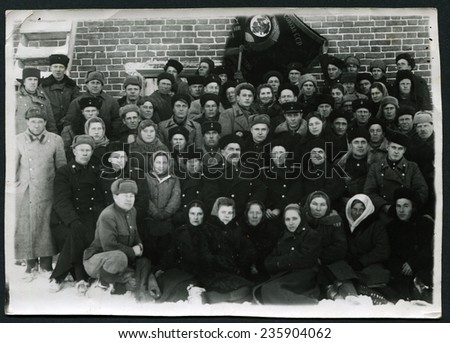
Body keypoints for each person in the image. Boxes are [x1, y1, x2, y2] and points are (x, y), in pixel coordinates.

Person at [83, 179, 159, 298]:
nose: (129, 199)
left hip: (118, 263)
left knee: (138, 277)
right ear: (115, 197)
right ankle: (102, 285)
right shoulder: (108, 215)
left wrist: (139, 245)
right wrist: (132, 251)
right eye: (125, 196)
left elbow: (135, 232)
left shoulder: (132, 211)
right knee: (120, 257)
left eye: (132, 196)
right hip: (97, 261)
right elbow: (109, 245)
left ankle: (118, 285)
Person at [15, 106, 67, 280]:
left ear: (45, 122)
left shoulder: (55, 140)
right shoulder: (18, 140)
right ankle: (30, 263)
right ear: (27, 122)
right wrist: (17, 186)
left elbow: (61, 166)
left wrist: (60, 189)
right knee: (27, 226)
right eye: (33, 121)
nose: (36, 125)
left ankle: (46, 263)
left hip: (48, 190)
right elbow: (12, 167)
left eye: (40, 121)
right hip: (27, 190)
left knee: (45, 226)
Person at [49, 135, 103, 293]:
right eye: (81, 150)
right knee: (76, 233)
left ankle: (73, 277)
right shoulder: (64, 172)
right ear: (74, 151)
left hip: (88, 216)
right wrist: (72, 221)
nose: (85, 153)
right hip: (64, 219)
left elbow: (98, 199)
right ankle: (66, 277)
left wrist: (97, 218)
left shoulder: (95, 171)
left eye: (88, 150)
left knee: (84, 235)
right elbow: (61, 201)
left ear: (92, 152)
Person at [253, 203, 321, 305]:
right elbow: (269, 261)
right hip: (286, 274)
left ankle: (307, 304)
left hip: (304, 275)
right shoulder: (283, 236)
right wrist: (286, 261)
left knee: (270, 289)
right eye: (287, 219)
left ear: (301, 218)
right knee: (260, 290)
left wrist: (280, 262)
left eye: (294, 218)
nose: (291, 222)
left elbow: (305, 259)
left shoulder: (311, 235)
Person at [303, 191, 358, 300]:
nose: (318, 209)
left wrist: (319, 258)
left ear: (328, 207)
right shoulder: (300, 220)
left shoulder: (334, 221)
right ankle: (335, 296)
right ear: (308, 204)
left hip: (329, 261)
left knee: (340, 275)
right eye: (314, 204)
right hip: (307, 264)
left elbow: (340, 247)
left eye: (322, 205)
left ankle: (351, 296)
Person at [201, 197, 255, 303]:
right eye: (223, 212)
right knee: (245, 289)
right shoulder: (207, 229)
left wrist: (240, 264)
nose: (227, 216)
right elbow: (205, 255)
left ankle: (219, 298)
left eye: (230, 212)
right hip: (214, 272)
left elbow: (248, 250)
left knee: (249, 288)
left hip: (233, 271)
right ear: (216, 212)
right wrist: (223, 262)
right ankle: (212, 297)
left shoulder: (235, 229)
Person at [386, 188, 434, 303]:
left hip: (421, 265)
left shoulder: (424, 223)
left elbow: (427, 249)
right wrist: (401, 267)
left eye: (406, 206)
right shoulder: (391, 227)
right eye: (398, 206)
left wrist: (413, 263)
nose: (401, 210)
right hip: (401, 269)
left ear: (412, 207)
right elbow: (390, 253)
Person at [156, 201, 210, 302]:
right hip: (184, 271)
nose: (196, 217)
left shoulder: (210, 232)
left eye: (199, 214)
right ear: (187, 214)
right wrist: (161, 268)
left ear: (204, 215)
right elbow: (171, 253)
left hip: (205, 273)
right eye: (192, 214)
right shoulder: (180, 232)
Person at [202, 134, 267, 218]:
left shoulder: (249, 170)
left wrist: (250, 205)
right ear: (222, 152)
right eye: (231, 149)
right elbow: (210, 199)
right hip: (222, 217)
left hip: (243, 216)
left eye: (237, 149)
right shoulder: (213, 172)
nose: (235, 152)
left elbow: (260, 189)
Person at [364, 131, 429, 213]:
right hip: (384, 211)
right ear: (387, 147)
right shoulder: (375, 167)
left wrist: (409, 207)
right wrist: (385, 207)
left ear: (404, 150)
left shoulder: (412, 167)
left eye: (400, 148)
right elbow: (369, 192)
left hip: (407, 212)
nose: (396, 152)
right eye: (393, 147)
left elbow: (422, 190)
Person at [343, 194, 391, 304]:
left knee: (372, 277)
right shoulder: (344, 223)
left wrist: (362, 261)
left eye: (361, 209)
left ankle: (375, 295)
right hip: (350, 262)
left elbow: (383, 249)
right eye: (354, 209)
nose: (357, 213)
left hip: (370, 263)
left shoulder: (376, 225)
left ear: (367, 210)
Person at [142, 151, 181, 267]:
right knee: (149, 249)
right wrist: (154, 212)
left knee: (165, 247)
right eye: (158, 162)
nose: (161, 165)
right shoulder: (146, 177)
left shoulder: (173, 179)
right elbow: (145, 197)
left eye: (164, 162)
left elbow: (176, 197)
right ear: (152, 163)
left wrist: (166, 212)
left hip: (166, 220)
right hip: (150, 220)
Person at [65, 70, 121, 140]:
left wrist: (111, 136)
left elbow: (117, 120)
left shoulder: (111, 101)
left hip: (106, 139)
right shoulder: (77, 102)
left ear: (102, 85)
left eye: (98, 83)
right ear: (87, 84)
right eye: (92, 83)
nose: (95, 86)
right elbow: (70, 121)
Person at [239, 201, 282, 281]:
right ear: (246, 214)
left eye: (258, 213)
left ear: (263, 215)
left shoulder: (270, 230)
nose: (254, 216)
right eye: (251, 212)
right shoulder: (240, 229)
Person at [41, 54, 80, 133]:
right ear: (50, 68)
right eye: (55, 66)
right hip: (48, 124)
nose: (58, 70)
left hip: (68, 125)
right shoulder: (43, 86)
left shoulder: (72, 86)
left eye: (61, 67)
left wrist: (66, 120)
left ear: (65, 69)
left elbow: (76, 105)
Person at [16, 67, 58, 134]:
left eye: (35, 80)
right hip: (21, 138)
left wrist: (54, 137)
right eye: (30, 79)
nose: (33, 82)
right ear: (24, 82)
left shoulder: (44, 99)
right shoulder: (15, 98)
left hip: (40, 138)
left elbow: (51, 123)